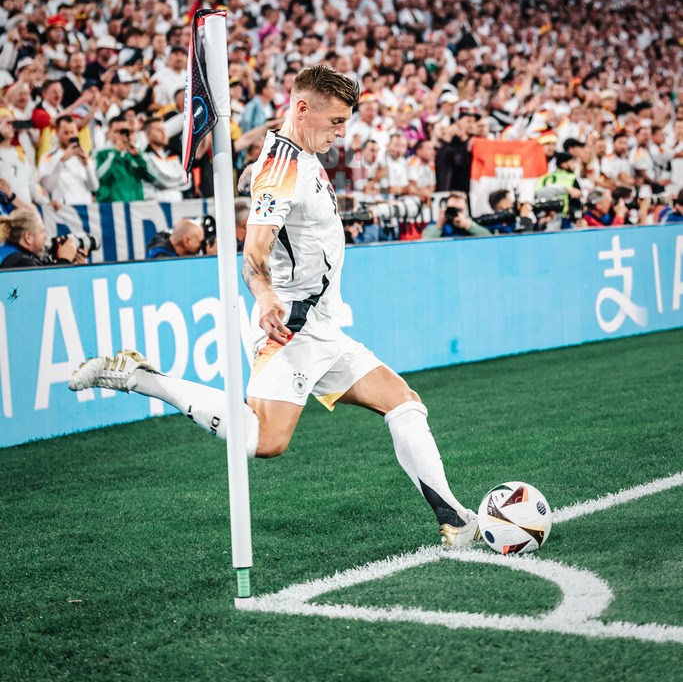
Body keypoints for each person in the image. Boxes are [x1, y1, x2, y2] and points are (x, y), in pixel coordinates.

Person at [69, 64, 480, 548]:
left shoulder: (291, 152)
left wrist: (254, 178)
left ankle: (455, 520)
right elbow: (254, 252)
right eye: (335, 122)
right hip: (292, 325)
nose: (340, 133)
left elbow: (273, 184)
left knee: (405, 404)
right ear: (302, 109)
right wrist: (264, 295)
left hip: (325, 327)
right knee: (264, 442)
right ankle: (139, 376)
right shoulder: (281, 170)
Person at [38, 115, 99, 205]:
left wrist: (86, 164)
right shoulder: (47, 157)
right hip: (62, 209)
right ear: (57, 132)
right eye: (66, 133)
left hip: (84, 209)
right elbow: (47, 188)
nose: (70, 136)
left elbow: (94, 187)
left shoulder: (85, 156)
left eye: (72, 132)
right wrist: (61, 161)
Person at [0, 208, 84, 268]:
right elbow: (49, 288)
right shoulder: (20, 262)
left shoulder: (10, 253)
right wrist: (64, 260)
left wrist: (70, 262)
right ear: (28, 237)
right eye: (42, 232)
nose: (46, 237)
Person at [421, 191, 492, 240]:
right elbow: (425, 243)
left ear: (464, 211)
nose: (454, 212)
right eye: (451, 209)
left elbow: (489, 238)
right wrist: (439, 225)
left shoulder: (469, 226)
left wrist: (467, 225)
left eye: (459, 210)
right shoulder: (434, 225)